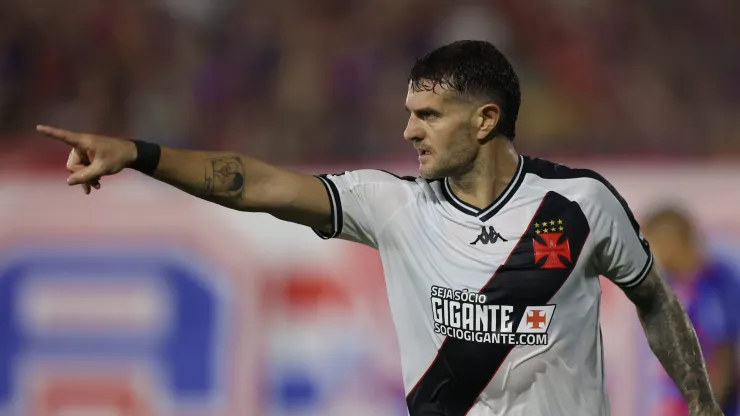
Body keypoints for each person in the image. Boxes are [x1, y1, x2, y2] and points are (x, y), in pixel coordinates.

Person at [37, 40, 722, 416]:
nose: (407, 131)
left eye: (427, 116)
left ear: (484, 121)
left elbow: (654, 296)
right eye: (407, 112)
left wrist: (702, 407)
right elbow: (256, 182)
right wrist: (140, 153)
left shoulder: (579, 206)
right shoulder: (390, 205)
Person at [643, 206, 740, 416]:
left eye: (653, 244)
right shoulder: (667, 282)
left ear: (674, 240)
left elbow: (723, 356)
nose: (651, 253)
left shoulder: (717, 279)